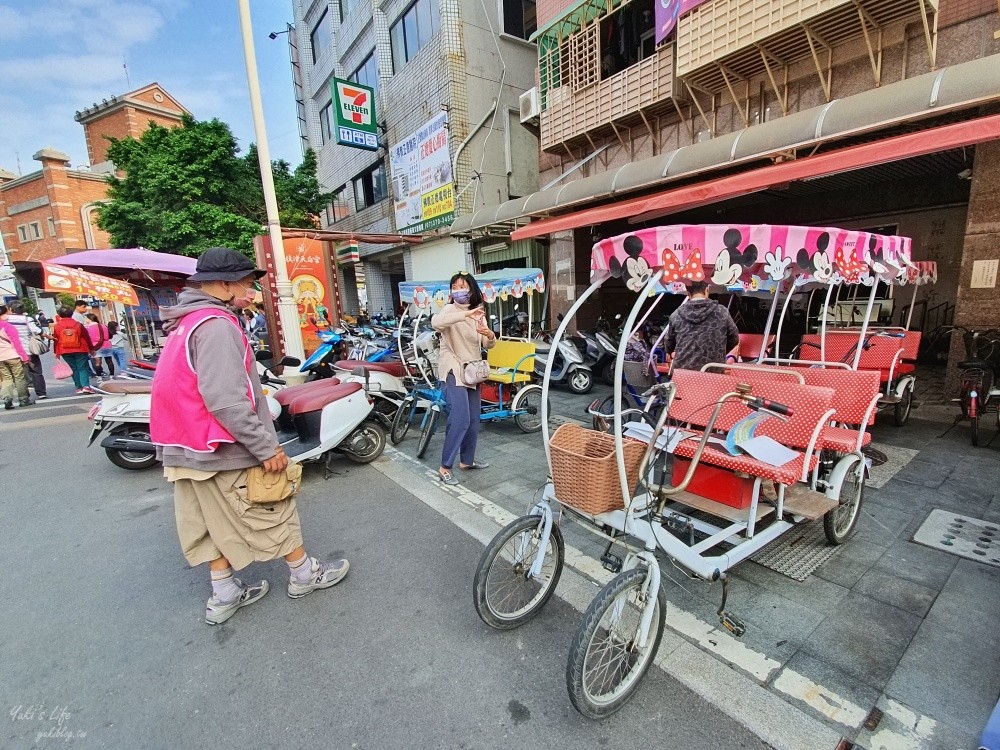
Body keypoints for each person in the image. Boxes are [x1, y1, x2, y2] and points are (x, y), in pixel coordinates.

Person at [150, 246, 348, 626]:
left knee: (207, 522)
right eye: (246, 283)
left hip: (183, 446)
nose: (251, 291)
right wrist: (265, 447)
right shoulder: (216, 325)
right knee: (272, 504)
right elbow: (225, 400)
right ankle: (304, 574)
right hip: (217, 444)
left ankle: (224, 593)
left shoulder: (184, 322)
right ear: (223, 284)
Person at [432, 271, 496, 486]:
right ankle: (445, 467)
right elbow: (437, 323)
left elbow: (487, 344)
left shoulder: (478, 312)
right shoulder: (450, 310)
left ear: (472, 289)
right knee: (461, 418)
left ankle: (467, 461)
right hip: (453, 369)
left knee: (474, 418)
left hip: (473, 369)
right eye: (455, 286)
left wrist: (489, 335)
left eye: (463, 286)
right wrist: (465, 315)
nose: (459, 290)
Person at [663, 281, 740, 372]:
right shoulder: (722, 312)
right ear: (707, 289)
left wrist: (671, 351)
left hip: (683, 372)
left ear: (688, 293)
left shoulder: (676, 315)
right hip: (713, 370)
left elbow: (669, 342)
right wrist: (718, 351)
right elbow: (734, 338)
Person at [6, 302, 48, 400]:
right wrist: (47, 335)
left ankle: (25, 395)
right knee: (36, 372)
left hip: (15, 351)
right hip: (30, 349)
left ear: (11, 310)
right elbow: (37, 331)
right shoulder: (27, 319)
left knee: (20, 375)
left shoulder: (7, 320)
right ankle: (41, 393)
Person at [53, 306, 94, 393]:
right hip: (80, 348)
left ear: (59, 315)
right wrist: (91, 348)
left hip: (64, 350)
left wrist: (56, 352)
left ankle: (78, 387)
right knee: (82, 367)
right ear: (71, 314)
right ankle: (86, 386)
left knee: (73, 368)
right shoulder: (78, 324)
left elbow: (56, 339)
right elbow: (86, 337)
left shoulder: (57, 326)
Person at [0, 305, 31, 410]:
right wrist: (24, 357)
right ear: (4, 313)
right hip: (12, 355)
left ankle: (7, 398)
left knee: (6, 378)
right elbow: (16, 344)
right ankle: (23, 400)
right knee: (19, 378)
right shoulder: (8, 326)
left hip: (0, 358)